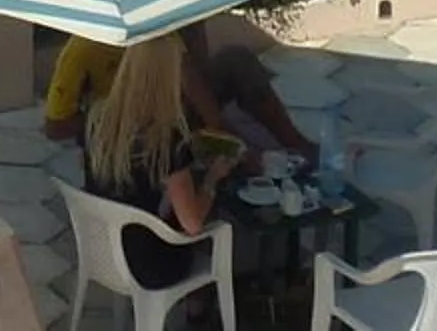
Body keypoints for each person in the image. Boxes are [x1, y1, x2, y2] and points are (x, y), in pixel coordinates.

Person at [76, 32, 233, 291]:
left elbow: (89, 167)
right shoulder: (165, 140)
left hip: (102, 250)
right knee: (209, 214)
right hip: (150, 266)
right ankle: (198, 309)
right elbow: (192, 224)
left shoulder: (96, 118)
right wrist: (212, 179)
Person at [46, 22, 320, 168]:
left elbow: (192, 82)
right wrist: (113, 116)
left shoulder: (158, 31)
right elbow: (55, 127)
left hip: (171, 107)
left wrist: (224, 135)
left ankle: (294, 143)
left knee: (236, 60)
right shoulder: (81, 51)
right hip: (127, 129)